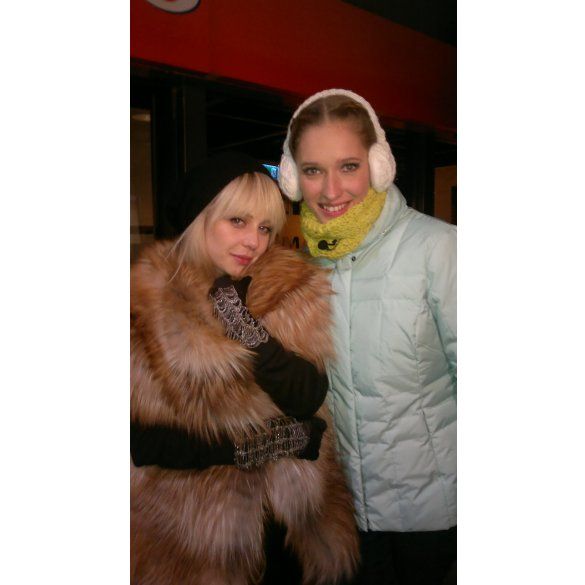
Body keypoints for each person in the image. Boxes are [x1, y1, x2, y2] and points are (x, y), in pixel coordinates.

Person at [130, 151, 359, 585]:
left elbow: (307, 395)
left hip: (291, 525)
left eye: (265, 228)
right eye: (238, 221)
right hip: (196, 537)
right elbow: (144, 442)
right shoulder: (148, 300)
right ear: (200, 218)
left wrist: (250, 333)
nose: (254, 241)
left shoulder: (287, 285)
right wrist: (253, 446)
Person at [278, 89, 457, 585]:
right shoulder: (305, 268)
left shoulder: (438, 249)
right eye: (313, 170)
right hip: (345, 515)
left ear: (379, 166)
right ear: (293, 177)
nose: (331, 189)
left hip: (436, 515)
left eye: (349, 166)